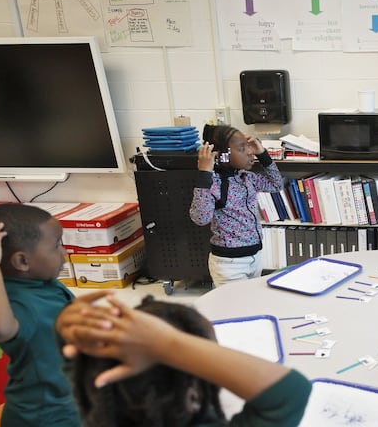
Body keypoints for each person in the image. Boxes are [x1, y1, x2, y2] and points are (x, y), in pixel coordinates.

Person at [56, 293, 312, 427]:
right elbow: (289, 393)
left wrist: (64, 323)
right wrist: (165, 344)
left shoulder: (98, 404)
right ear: (193, 396)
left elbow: (73, 357)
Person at [0, 203, 79, 426]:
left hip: (72, 398)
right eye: (55, 246)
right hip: (44, 414)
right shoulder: (16, 303)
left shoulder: (43, 283)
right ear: (22, 261)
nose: (65, 252)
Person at [189, 124, 284, 286]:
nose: (250, 152)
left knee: (250, 305)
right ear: (222, 155)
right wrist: (204, 174)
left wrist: (262, 153)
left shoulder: (247, 178)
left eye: (249, 147)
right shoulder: (214, 183)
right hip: (229, 264)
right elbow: (200, 217)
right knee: (233, 309)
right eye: (242, 148)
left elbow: (276, 185)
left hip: (255, 257)